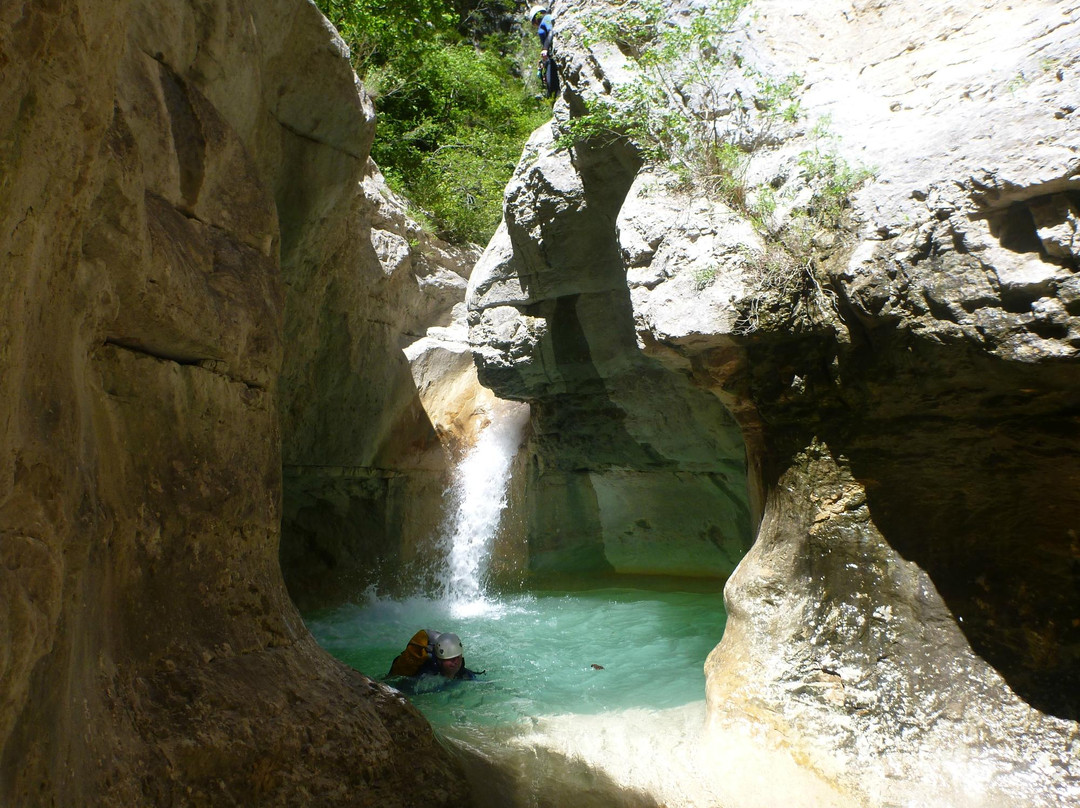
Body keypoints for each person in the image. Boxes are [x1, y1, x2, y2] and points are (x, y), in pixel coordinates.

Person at [386, 629, 483, 681]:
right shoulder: (426, 672)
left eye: (458, 658)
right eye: (451, 659)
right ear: (440, 660)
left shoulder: (462, 670)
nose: (456, 662)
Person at [527, 5, 559, 99]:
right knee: (549, 85)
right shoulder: (545, 21)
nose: (535, 26)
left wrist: (545, 48)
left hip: (550, 56)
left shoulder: (547, 18)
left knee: (552, 84)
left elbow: (551, 31)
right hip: (548, 58)